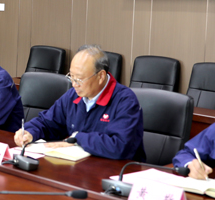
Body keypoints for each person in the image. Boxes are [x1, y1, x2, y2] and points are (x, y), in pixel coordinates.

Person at [15, 45, 145, 160]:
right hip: (80, 167)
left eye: (79, 79)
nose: (74, 84)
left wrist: (77, 138)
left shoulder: (125, 101)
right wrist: (29, 132)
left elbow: (120, 146)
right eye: (71, 77)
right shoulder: (73, 95)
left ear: (101, 76)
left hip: (117, 173)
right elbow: (47, 122)